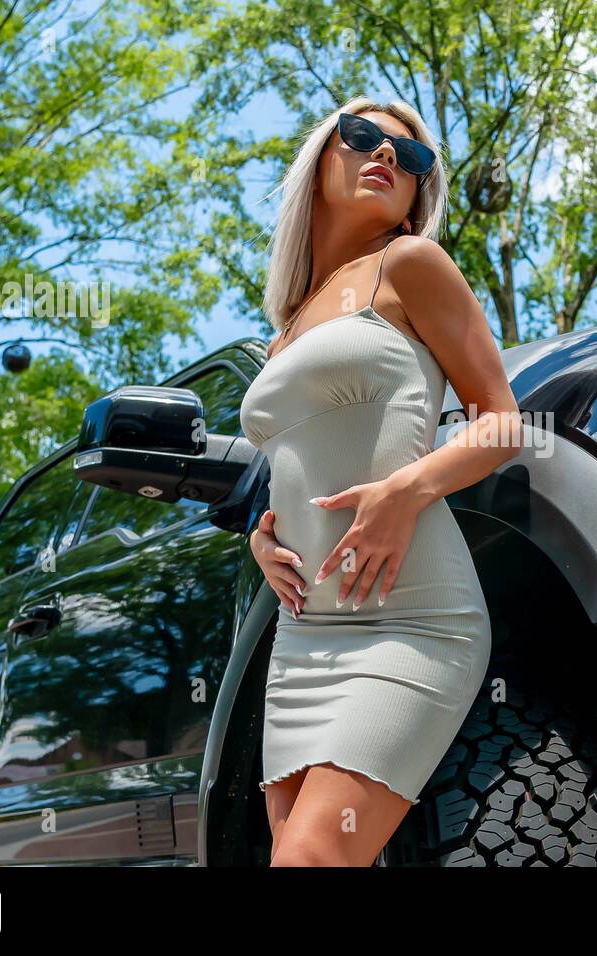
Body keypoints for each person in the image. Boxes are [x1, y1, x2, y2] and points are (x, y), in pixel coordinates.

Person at [238, 96, 522, 866]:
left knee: (312, 859)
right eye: (363, 137)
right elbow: (293, 464)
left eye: (413, 156)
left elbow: (501, 419)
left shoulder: (410, 266)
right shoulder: (287, 326)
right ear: (319, 159)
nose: (387, 156)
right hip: (304, 633)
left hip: (411, 618)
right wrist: (261, 541)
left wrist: (408, 490)